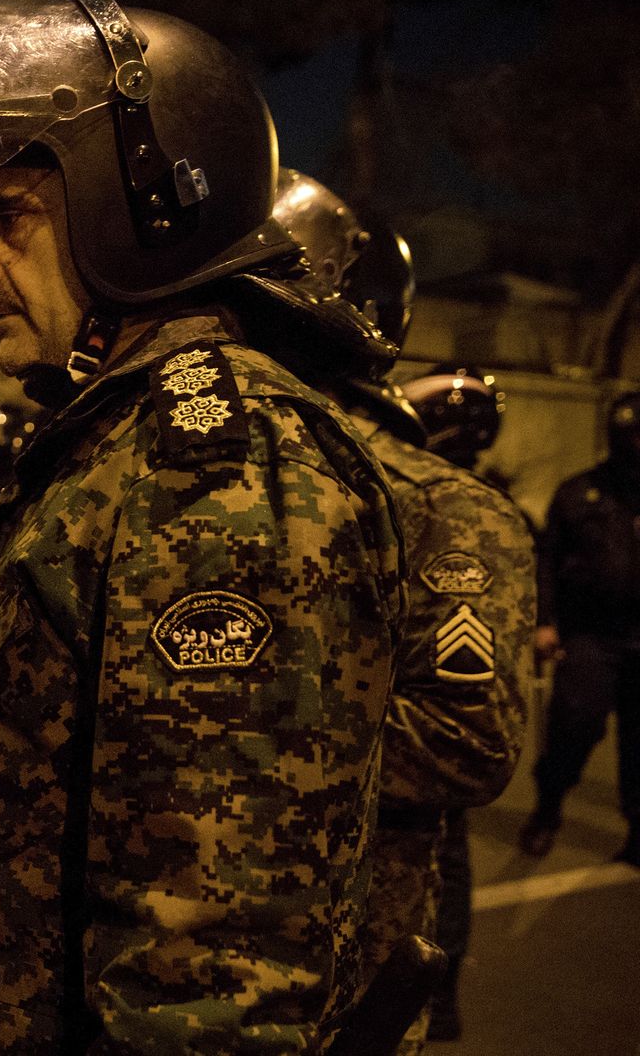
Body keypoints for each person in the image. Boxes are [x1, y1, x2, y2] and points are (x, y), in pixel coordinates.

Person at [0, 0, 405, 1051]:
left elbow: (211, 987)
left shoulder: (221, 479)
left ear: (144, 210)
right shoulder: (116, 441)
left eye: (6, 219)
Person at [273, 170, 535, 1050]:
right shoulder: (178, 468)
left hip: (328, 969)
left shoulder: (438, 505)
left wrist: (223, 730)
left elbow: (466, 744)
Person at [398, 364, 522, 1042]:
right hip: (439, 729)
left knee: (440, 862)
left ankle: (435, 1001)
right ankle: (438, 1003)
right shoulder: (482, 503)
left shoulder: (447, 505)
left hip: (422, 729)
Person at [521, 391, 640, 868]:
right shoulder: (579, 493)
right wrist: (543, 622)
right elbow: (546, 560)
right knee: (573, 726)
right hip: (591, 634)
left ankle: (637, 829)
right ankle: (548, 808)